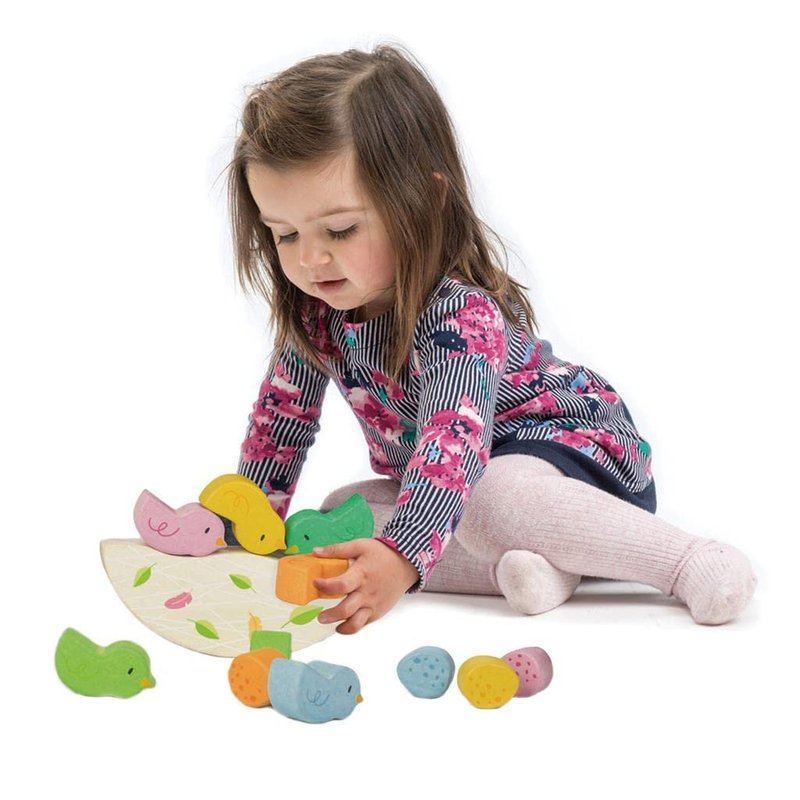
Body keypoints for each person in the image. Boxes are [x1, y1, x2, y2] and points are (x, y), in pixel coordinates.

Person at [225, 43, 756, 634]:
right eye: (285, 235)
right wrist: (243, 532)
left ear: (424, 202)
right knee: (338, 519)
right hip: (468, 487)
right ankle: (545, 567)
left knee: (490, 503)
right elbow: (281, 426)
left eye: (341, 229)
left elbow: (454, 438)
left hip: (572, 452)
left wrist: (402, 555)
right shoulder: (314, 315)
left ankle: (685, 560)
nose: (309, 259)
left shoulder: (460, 313)